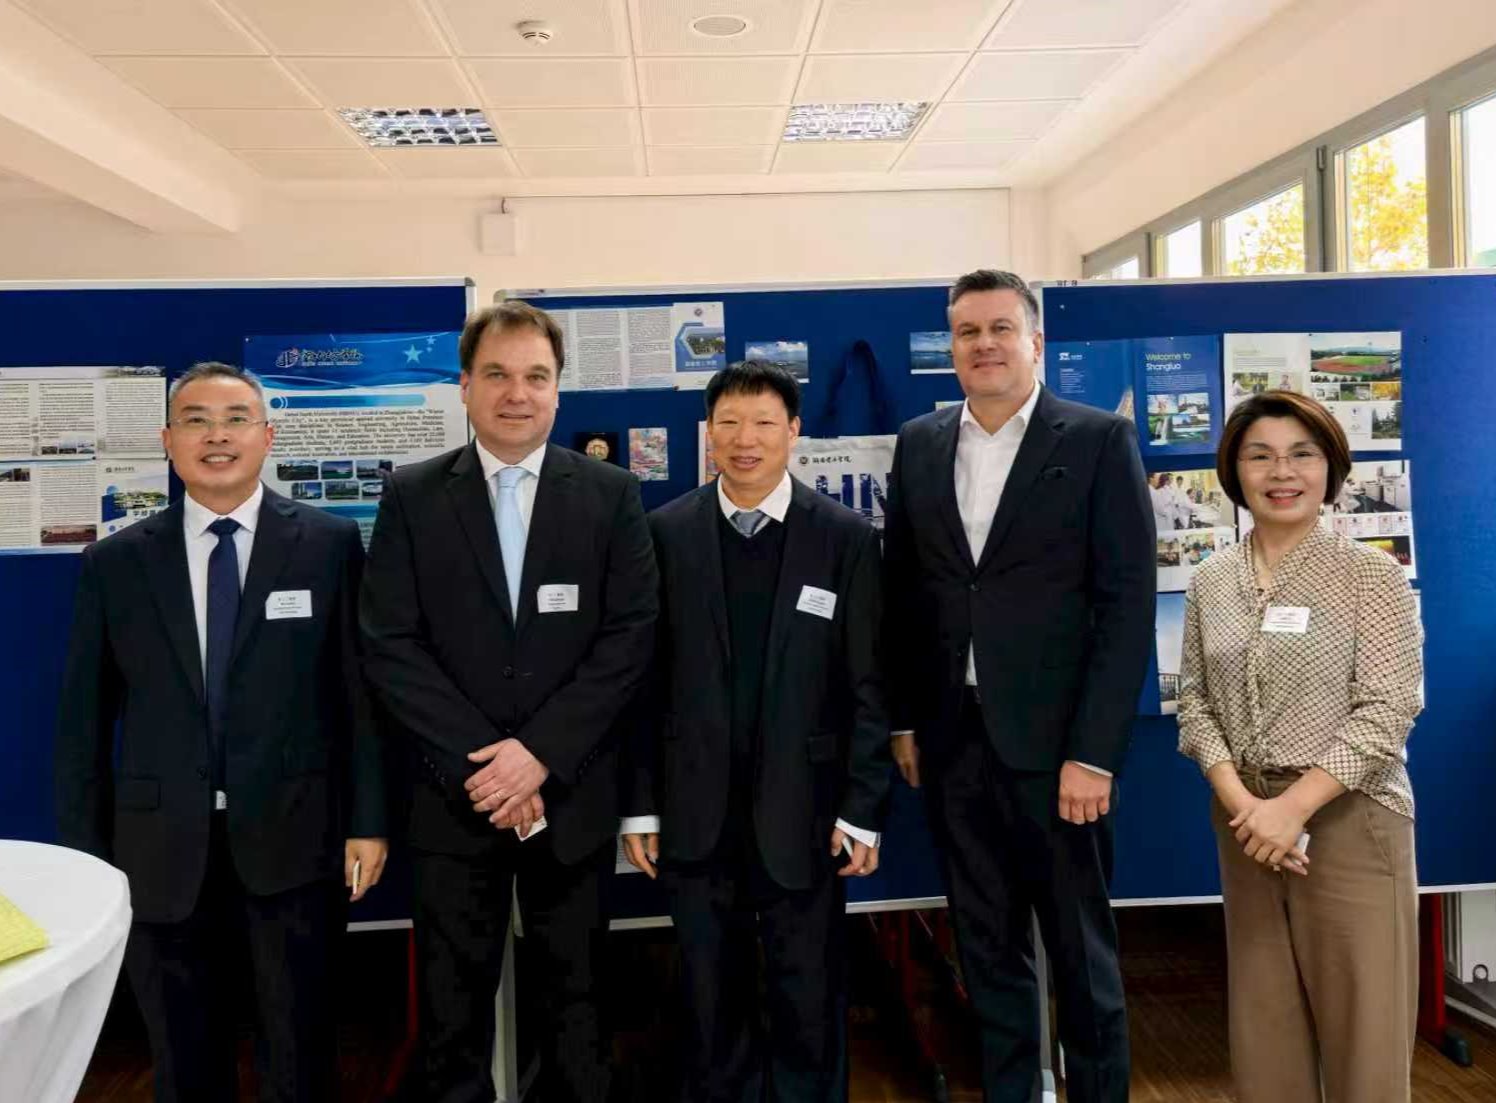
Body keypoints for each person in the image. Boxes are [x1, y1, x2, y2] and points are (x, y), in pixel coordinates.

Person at [55, 361, 388, 1103]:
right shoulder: (116, 562)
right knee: (183, 1059)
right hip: (159, 852)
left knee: (299, 1053)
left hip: (295, 840)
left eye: (236, 419)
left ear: (267, 436)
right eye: (197, 421)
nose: (217, 436)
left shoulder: (329, 544)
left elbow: (358, 697)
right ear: (167, 440)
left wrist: (368, 821)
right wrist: (85, 857)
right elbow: (82, 721)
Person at [359, 301, 658, 1103]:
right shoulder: (413, 496)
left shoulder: (611, 494)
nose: (516, 393)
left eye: (535, 376)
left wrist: (539, 756)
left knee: (579, 1007)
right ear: (464, 385)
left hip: (571, 798)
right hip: (454, 803)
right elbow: (390, 643)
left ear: (559, 389)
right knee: (452, 1016)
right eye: (496, 374)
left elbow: (630, 637)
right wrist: (488, 768)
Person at [882, 269, 1154, 1103]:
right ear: (951, 348)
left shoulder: (1098, 441)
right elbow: (905, 592)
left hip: (1060, 752)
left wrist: (1094, 754)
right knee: (987, 949)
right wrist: (904, 720)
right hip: (954, 741)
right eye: (967, 331)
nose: (984, 344)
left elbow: (1125, 606)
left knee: (1080, 956)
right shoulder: (920, 443)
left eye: (1001, 328)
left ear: (1036, 342)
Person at [620, 361, 891, 1102]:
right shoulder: (664, 533)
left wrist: (863, 808)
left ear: (794, 431)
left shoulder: (843, 538)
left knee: (810, 992)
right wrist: (640, 807)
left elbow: (869, 685)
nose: (747, 440)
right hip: (693, 810)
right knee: (711, 996)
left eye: (765, 422)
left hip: (808, 809)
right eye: (730, 423)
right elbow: (639, 684)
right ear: (708, 434)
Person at [1177, 390, 1422, 1103]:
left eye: (1301, 454)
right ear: (1235, 471)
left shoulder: (1371, 575)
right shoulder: (1211, 580)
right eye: (1260, 456)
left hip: (1349, 819)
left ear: (1330, 468)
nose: (1281, 472)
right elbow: (1194, 702)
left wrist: (1292, 810)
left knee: (1366, 1039)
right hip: (1246, 826)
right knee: (1265, 1035)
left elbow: (1389, 707)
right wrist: (1247, 806)